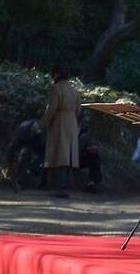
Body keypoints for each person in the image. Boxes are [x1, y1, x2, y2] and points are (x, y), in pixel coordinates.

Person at [35, 66, 82, 198]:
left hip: (59, 122)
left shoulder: (56, 89)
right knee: (69, 155)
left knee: (60, 154)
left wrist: (41, 124)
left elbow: (51, 110)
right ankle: (67, 185)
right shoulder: (74, 90)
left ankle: (60, 188)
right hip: (72, 122)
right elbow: (78, 110)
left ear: (56, 75)